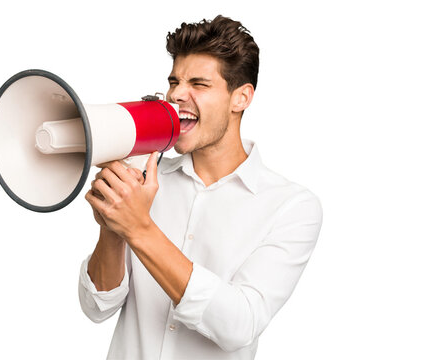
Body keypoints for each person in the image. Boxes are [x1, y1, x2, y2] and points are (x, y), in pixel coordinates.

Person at [78, 15, 323, 360]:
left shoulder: (291, 207)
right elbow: (97, 306)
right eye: (174, 80)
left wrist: (138, 227)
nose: (177, 95)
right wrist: (113, 228)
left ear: (241, 98)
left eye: (199, 84)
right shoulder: (148, 178)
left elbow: (238, 326)